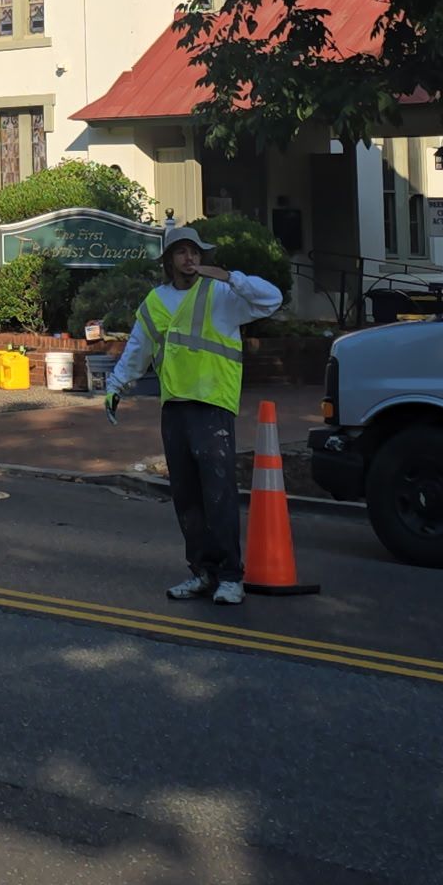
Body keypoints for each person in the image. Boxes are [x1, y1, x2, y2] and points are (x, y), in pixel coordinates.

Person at [104, 223, 282, 605]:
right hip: (176, 407)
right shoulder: (155, 302)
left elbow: (272, 299)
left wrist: (231, 277)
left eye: (196, 252)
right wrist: (116, 386)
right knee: (186, 496)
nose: (191, 259)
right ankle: (203, 572)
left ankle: (231, 576)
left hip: (213, 405)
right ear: (168, 261)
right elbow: (138, 348)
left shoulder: (221, 294)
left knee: (218, 494)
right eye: (183, 252)